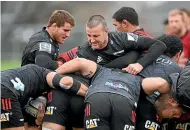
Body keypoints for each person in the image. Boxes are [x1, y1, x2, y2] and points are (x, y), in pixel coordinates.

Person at [55, 57, 182, 130]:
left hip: (98, 98)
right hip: (123, 101)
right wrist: (174, 90)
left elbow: (79, 62)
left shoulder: (102, 70)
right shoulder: (137, 79)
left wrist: (51, 75)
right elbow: (160, 83)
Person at [1, 64, 88, 130]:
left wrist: (38, 122)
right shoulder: (44, 73)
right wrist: (90, 94)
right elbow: (66, 82)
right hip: (5, 91)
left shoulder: (25, 91)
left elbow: (25, 126)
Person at [135, 35, 183, 130]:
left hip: (126, 97)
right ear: (178, 54)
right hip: (148, 105)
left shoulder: (142, 56)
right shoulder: (177, 71)